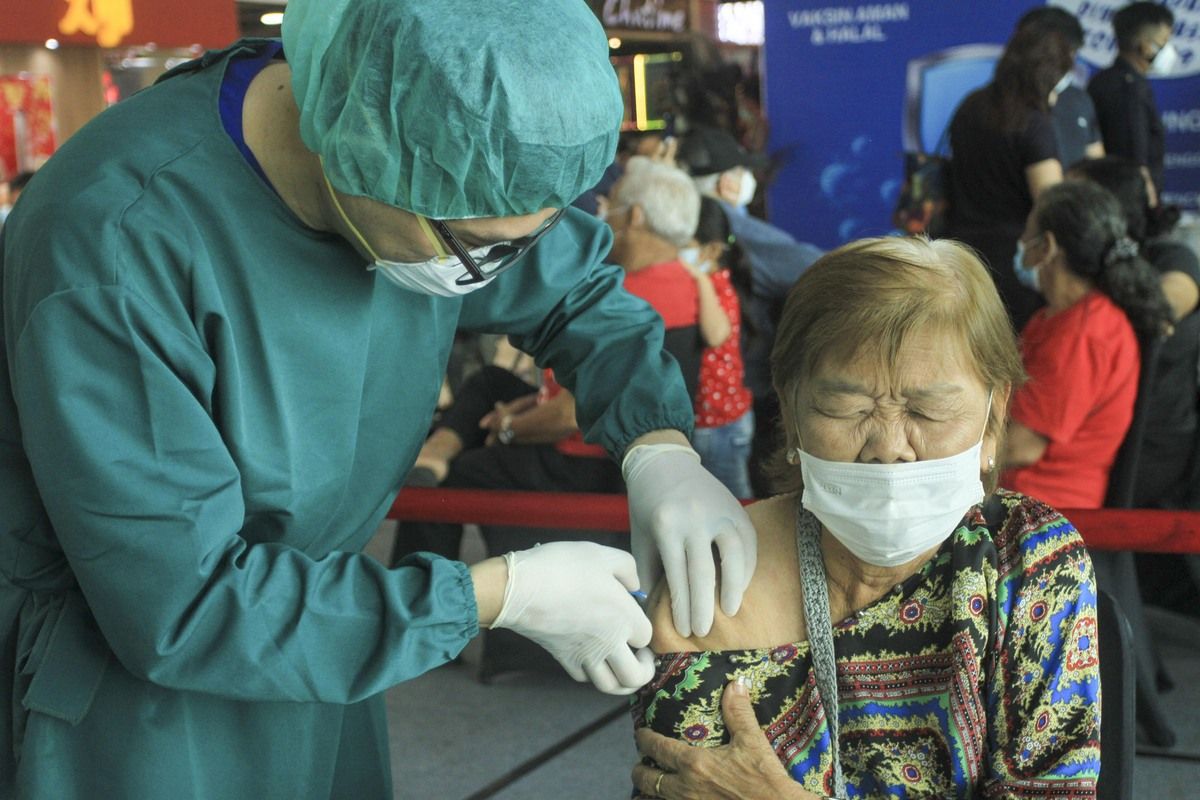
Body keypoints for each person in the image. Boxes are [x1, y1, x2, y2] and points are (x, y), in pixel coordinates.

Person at [0, 2, 759, 797]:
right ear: (361, 153)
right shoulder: (116, 240)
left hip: (333, 646)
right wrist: (499, 595)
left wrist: (659, 449)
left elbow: (574, 295)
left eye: (527, 235)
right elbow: (181, 603)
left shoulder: (444, 165)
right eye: (481, 245)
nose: (503, 269)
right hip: (143, 701)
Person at [628, 236, 1100, 798]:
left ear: (994, 416)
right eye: (847, 409)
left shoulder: (1031, 563)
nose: (889, 447)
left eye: (928, 410)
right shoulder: (713, 581)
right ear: (793, 411)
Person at [1002, 181, 1173, 509]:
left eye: (1028, 234)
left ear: (1047, 246)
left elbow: (1020, 446)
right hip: (1019, 502)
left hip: (1044, 518)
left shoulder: (1085, 333)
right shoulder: (1054, 319)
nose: (1022, 243)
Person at [678, 125, 824, 496]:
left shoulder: (680, 228)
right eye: (743, 172)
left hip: (707, 400)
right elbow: (820, 270)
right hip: (745, 395)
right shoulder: (735, 228)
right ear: (728, 183)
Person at [1067, 156, 1200, 508]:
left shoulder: (1172, 259)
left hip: (1160, 452)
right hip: (1094, 447)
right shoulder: (1071, 276)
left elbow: (1167, 305)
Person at [946, 23, 1074, 331]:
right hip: (1014, 260)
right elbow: (1050, 201)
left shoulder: (970, 105)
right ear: (1049, 73)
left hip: (959, 252)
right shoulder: (1033, 123)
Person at [681, 196, 755, 499]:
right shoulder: (713, 281)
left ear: (711, 250)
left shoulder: (715, 286)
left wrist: (697, 278)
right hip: (714, 421)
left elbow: (714, 335)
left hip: (720, 426)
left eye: (681, 243)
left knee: (735, 504)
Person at [1088, 2, 1177, 198]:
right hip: (1129, 203)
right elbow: (1134, 160)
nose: (1169, 50)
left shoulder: (1106, 80)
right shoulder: (1127, 88)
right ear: (1146, 46)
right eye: (1163, 42)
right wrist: (1150, 206)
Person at [1015, 7, 1105, 167]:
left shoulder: (1080, 99)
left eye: (1072, 53)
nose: (1069, 62)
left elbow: (1097, 165)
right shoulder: (1001, 104)